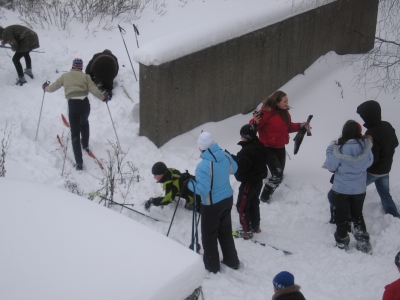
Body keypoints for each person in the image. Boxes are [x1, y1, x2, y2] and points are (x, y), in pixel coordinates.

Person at [42, 58, 109, 171]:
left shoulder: (65, 76)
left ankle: (79, 163)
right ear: (81, 67)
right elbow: (93, 89)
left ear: (73, 66)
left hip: (73, 106)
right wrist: (103, 97)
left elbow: (53, 87)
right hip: (85, 105)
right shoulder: (86, 77)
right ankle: (86, 145)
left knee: (75, 134)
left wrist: (45, 88)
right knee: (84, 123)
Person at [188, 132, 239, 273]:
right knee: (225, 231)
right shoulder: (225, 156)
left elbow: (202, 190)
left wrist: (189, 184)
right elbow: (234, 169)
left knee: (209, 236)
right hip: (227, 199)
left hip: (212, 205)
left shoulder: (203, 166)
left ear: (201, 148)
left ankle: (212, 266)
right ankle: (232, 261)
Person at [251, 90, 311, 203]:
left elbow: (288, 127)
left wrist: (300, 126)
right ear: (277, 102)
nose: (286, 103)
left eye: (287, 100)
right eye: (284, 101)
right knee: (277, 175)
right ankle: (264, 198)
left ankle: (266, 192)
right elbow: (253, 127)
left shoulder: (285, 113)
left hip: (280, 147)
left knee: (279, 173)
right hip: (267, 147)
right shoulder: (265, 113)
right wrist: (254, 122)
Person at [324, 120, 374, 253]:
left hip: (341, 189)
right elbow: (369, 162)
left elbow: (331, 165)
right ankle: (363, 242)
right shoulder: (365, 147)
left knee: (342, 217)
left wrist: (330, 149)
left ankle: (342, 242)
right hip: (359, 189)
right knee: (357, 216)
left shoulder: (339, 148)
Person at [356, 100, 400, 218]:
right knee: (385, 194)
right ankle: (394, 216)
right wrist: (386, 154)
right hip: (385, 169)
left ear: (368, 116)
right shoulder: (387, 125)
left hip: (373, 172)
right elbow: (396, 143)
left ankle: (351, 215)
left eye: (363, 116)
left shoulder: (371, 133)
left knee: (355, 189)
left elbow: (372, 159)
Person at [232, 124, 268, 239]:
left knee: (242, 206)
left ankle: (246, 231)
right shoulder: (259, 145)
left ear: (245, 136)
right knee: (253, 203)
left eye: (242, 136)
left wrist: (235, 160)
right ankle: (255, 226)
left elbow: (242, 166)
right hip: (258, 181)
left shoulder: (247, 150)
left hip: (249, 181)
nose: (241, 138)